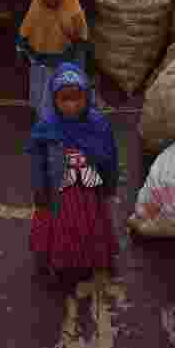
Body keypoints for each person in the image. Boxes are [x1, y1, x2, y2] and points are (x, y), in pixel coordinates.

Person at [26, 63, 119, 284]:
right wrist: (39, 189)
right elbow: (38, 162)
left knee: (89, 225)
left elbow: (110, 157)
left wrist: (110, 185)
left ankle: (87, 260)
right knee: (62, 228)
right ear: (53, 99)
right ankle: (60, 263)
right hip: (59, 194)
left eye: (77, 99)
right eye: (64, 99)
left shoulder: (98, 125)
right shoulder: (46, 127)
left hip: (89, 192)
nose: (71, 106)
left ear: (87, 97)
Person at [18, 0, 90, 119]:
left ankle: (67, 114)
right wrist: (23, 43)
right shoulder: (37, 10)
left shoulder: (72, 11)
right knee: (45, 89)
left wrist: (71, 33)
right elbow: (27, 28)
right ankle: (46, 116)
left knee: (64, 90)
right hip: (44, 63)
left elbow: (80, 35)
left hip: (66, 62)